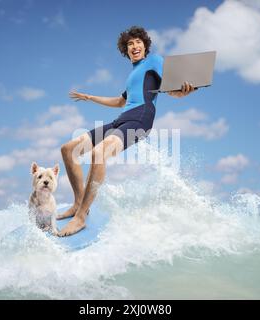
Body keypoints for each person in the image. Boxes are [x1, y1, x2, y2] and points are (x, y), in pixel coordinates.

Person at [58, 26, 196, 236]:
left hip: (141, 119)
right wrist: (90, 97)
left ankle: (81, 216)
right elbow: (120, 101)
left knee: (98, 153)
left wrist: (183, 92)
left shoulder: (154, 61)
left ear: (145, 45)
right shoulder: (133, 74)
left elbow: (172, 90)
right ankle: (78, 203)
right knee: (68, 150)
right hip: (121, 120)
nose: (135, 46)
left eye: (138, 42)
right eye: (130, 44)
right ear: (126, 50)